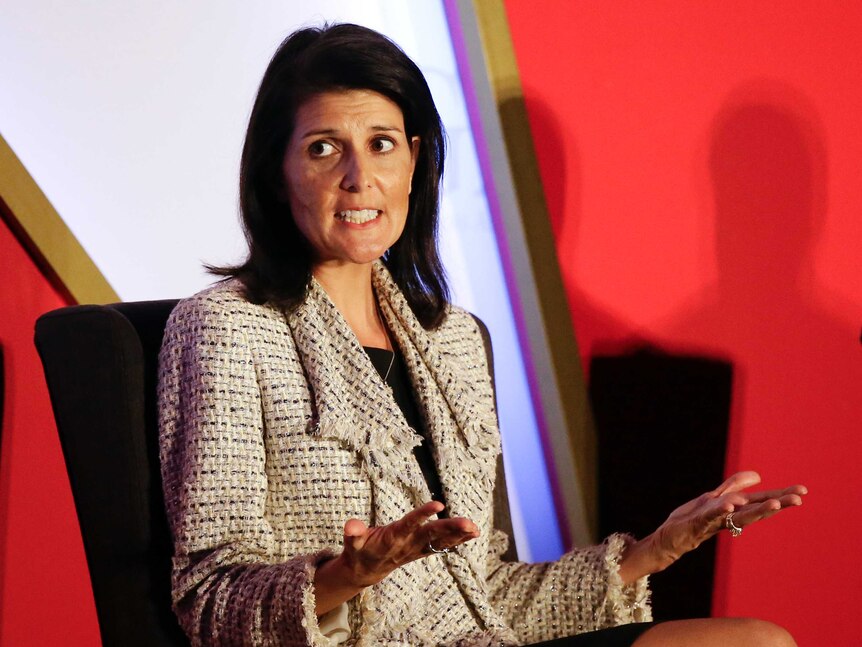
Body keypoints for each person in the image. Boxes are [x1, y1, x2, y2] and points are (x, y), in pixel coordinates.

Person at [157, 23, 806, 647]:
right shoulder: (226, 326)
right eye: (323, 147)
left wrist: (651, 551)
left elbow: (485, 595)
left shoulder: (454, 340)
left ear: (415, 159)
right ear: (278, 173)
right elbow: (209, 599)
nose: (359, 176)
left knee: (758, 640)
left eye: (381, 142)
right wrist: (348, 575)